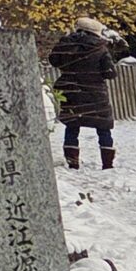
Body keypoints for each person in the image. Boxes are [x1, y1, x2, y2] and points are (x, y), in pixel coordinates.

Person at [47, 17, 118, 170]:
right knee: (103, 126)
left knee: (72, 124)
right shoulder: (100, 48)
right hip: (95, 93)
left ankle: (73, 162)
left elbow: (54, 60)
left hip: (70, 90)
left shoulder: (66, 43)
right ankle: (107, 164)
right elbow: (110, 73)